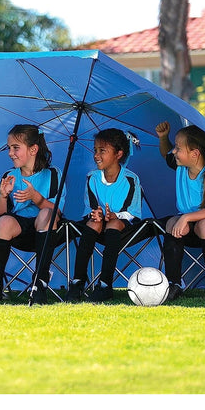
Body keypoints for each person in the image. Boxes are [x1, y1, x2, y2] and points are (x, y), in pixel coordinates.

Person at [0, 124, 66, 305]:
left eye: (16, 148)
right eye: (8, 148)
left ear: (33, 149)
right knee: (4, 222)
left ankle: (39, 282)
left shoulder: (53, 174)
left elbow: (58, 211)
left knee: (46, 213)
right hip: (19, 230)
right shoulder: (9, 175)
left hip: (48, 230)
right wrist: (3, 195)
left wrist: (36, 198)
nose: (10, 153)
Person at [155, 121, 205, 300]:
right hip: (188, 226)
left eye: (178, 148)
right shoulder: (181, 166)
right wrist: (163, 138)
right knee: (172, 223)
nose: (174, 151)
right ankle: (173, 283)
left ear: (195, 154)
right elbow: (166, 154)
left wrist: (187, 218)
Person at [65, 128, 142, 303]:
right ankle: (78, 281)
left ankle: (105, 284)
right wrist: (97, 213)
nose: (96, 155)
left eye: (102, 151)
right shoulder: (92, 178)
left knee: (114, 224)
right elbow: (91, 206)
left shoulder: (131, 179)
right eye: (95, 150)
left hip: (124, 226)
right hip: (98, 226)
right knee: (93, 223)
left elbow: (132, 212)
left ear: (118, 154)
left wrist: (115, 215)